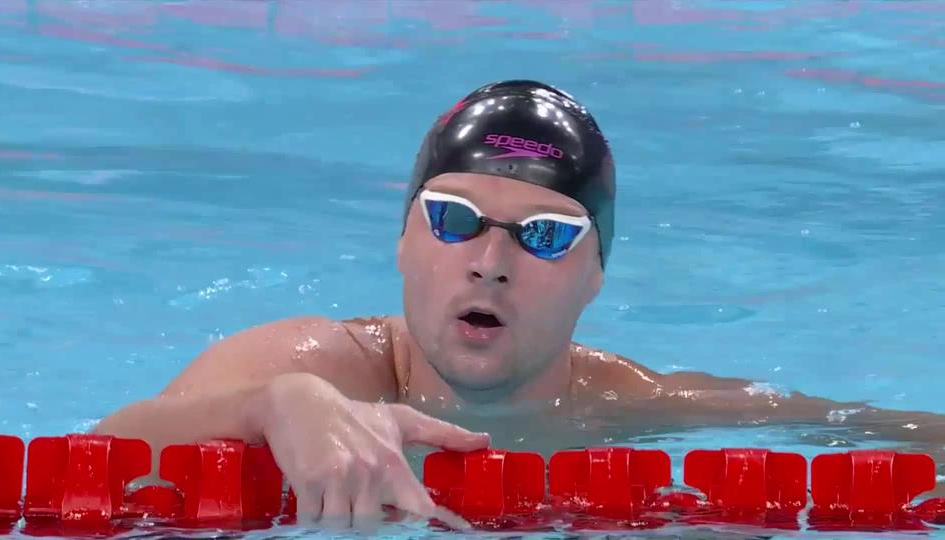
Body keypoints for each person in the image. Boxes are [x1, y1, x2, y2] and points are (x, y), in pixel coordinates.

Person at [94, 80, 944, 528]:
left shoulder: (627, 406)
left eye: (543, 235)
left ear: (596, 276)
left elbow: (875, 431)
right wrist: (267, 408)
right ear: (402, 242)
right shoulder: (306, 369)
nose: (490, 263)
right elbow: (92, 454)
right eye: (454, 220)